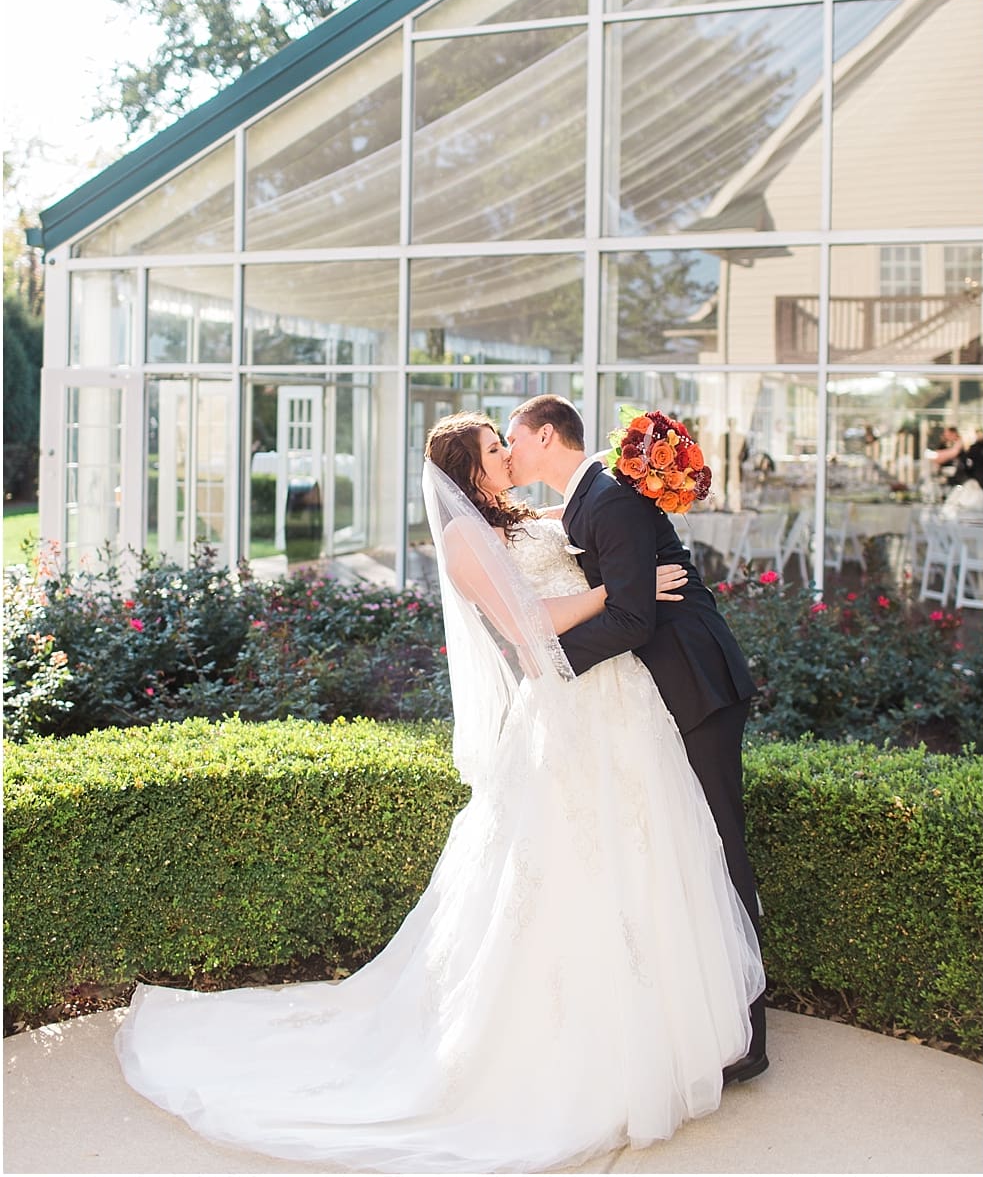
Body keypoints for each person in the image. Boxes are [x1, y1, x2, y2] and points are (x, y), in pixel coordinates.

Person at [116, 413, 764, 1172]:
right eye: (496, 448)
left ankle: (675, 1025)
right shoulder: (464, 540)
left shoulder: (522, 516)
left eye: (510, 441)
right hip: (571, 703)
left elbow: (583, 515)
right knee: (570, 868)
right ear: (468, 468)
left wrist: (631, 549)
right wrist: (626, 592)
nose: (509, 454)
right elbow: (528, 631)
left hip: (618, 706)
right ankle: (583, 1043)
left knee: (647, 854)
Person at [502, 393, 768, 1083]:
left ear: (545, 434)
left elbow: (630, 619)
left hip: (696, 685)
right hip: (668, 688)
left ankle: (750, 1034)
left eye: (514, 439)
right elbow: (625, 596)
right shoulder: (586, 497)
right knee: (695, 841)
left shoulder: (609, 497)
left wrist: (549, 663)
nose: (509, 451)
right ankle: (720, 1013)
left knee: (720, 845)